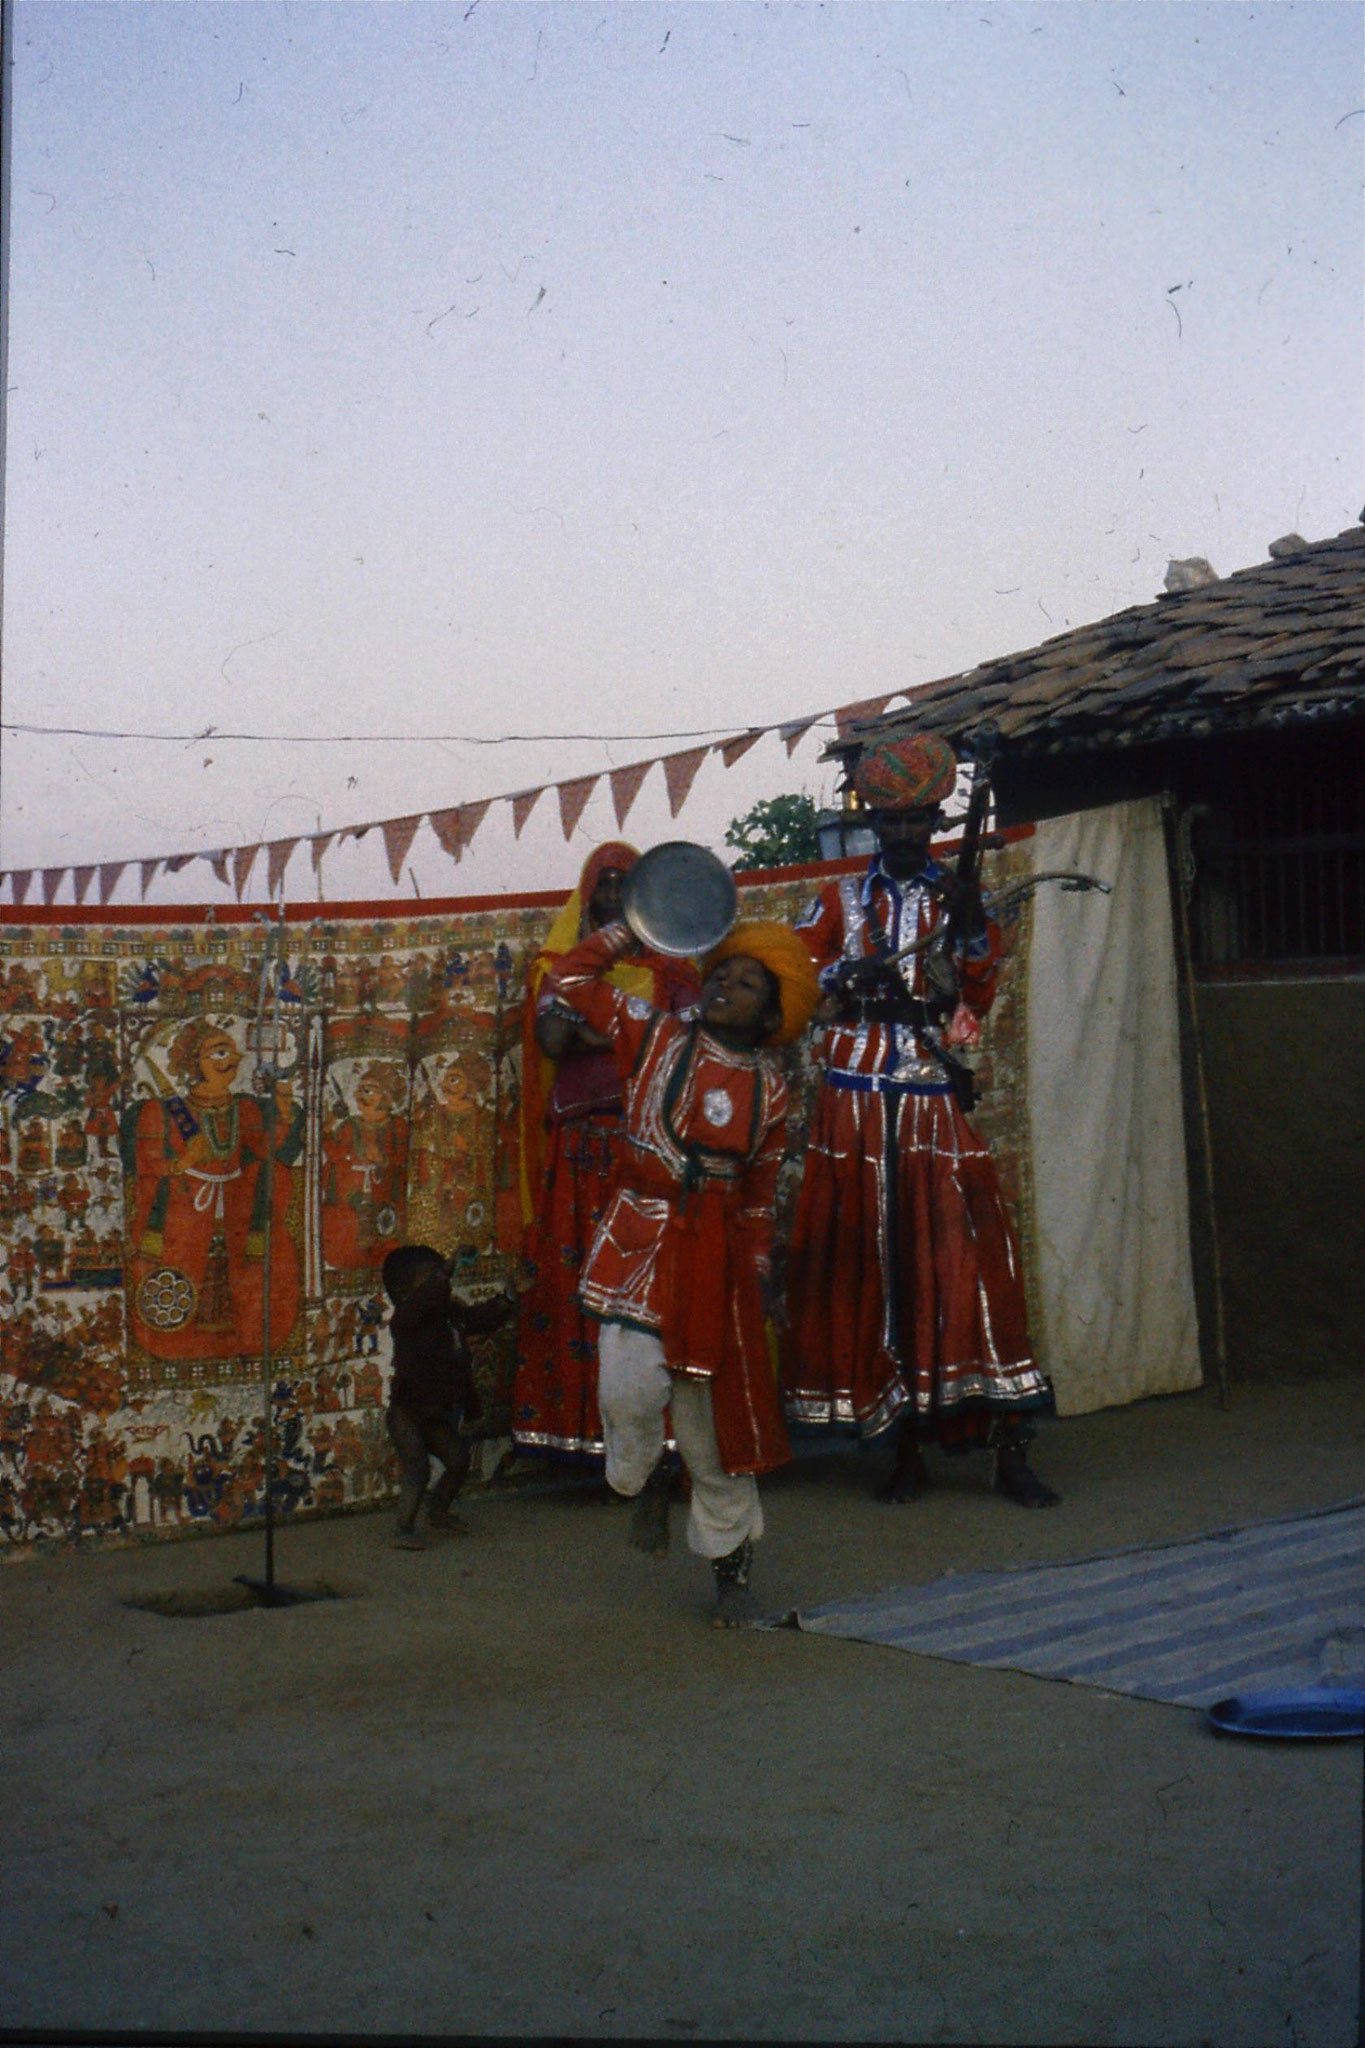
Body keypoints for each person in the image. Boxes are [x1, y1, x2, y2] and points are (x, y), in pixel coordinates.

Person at [782, 732, 1059, 1508]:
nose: (903, 831)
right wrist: (845, 970)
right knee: (873, 1261)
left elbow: (975, 1003)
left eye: (915, 818)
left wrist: (969, 930)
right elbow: (795, 974)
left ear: (937, 815)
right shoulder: (837, 900)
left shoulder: (959, 894)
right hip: (852, 1094)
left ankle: (1010, 1446)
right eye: (889, 818)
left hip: (930, 1089)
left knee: (963, 1257)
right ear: (872, 818)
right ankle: (901, 1446)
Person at [543, 914, 819, 1626]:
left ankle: (732, 1573)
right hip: (641, 1239)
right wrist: (636, 929)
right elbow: (569, 981)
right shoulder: (655, 1032)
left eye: (746, 981)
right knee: (629, 1392)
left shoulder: (774, 1090)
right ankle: (644, 1475)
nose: (725, 984)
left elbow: (759, 1197)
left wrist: (758, 1275)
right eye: (721, 972)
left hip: (717, 1268)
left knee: (714, 1434)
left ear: (772, 1010)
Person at [511, 844, 699, 1465]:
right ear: (588, 894)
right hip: (585, 1147)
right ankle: (584, 1442)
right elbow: (552, 1037)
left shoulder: (676, 970)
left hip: (650, 1149)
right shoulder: (565, 967)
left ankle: (659, 1446)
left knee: (649, 1295)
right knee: (583, 1289)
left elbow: (689, 1044)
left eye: (628, 884)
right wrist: (631, 1033)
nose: (615, 895)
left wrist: (604, 1034)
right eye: (606, 884)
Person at [382, 1243, 518, 1550]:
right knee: (417, 1468)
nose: (442, 1282)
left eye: (441, 1276)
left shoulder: (449, 1315)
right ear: (404, 1293)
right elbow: (426, 1298)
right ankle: (403, 1529)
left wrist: (508, 1296)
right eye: (431, 1277)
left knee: (458, 1460)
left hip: (434, 1413)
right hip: (408, 1412)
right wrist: (446, 1269)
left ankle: (438, 1512)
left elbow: (481, 1319)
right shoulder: (406, 1320)